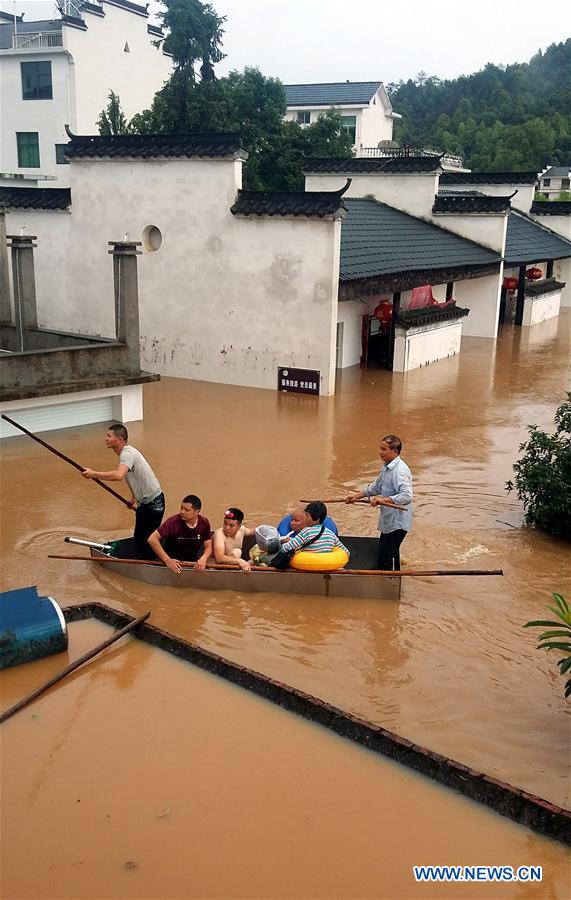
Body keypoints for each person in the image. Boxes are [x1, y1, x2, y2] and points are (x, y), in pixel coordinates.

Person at [82, 422, 164, 559]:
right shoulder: (128, 453)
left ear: (119, 440)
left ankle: (151, 564)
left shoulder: (127, 454)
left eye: (109, 436)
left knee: (143, 539)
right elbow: (137, 478)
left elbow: (119, 475)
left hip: (153, 503)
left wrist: (93, 474)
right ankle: (150, 559)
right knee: (143, 537)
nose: (106, 438)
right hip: (148, 502)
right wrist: (133, 498)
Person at [345, 434, 413, 571]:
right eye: (380, 448)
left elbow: (407, 496)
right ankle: (396, 571)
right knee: (386, 548)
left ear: (395, 451)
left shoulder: (400, 471)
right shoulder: (387, 467)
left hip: (397, 522)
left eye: (384, 449)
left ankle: (388, 584)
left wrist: (383, 499)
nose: (380, 452)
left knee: (385, 556)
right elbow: (376, 487)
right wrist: (356, 496)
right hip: (389, 519)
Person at [147, 495, 213, 575]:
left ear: (197, 511)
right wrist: (167, 560)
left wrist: (204, 558)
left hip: (191, 561)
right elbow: (152, 539)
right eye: (181, 508)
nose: (182, 511)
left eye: (186, 510)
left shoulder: (204, 523)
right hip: (171, 561)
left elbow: (208, 546)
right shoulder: (173, 522)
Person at [280, 502, 350, 556]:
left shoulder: (306, 532)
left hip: (307, 565)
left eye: (307, 516)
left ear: (317, 519)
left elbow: (287, 548)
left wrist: (282, 545)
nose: (305, 519)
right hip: (326, 565)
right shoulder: (331, 534)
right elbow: (346, 552)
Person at [212, 508, 255, 573]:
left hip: (233, 565)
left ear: (239, 526)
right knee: (236, 552)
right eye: (225, 523)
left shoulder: (242, 530)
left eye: (231, 525)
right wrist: (239, 561)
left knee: (258, 555)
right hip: (217, 568)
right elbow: (219, 558)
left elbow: (253, 531)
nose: (227, 528)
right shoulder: (219, 534)